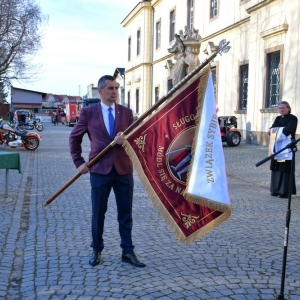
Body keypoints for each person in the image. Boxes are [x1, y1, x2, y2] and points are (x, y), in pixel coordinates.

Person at [69, 75, 145, 268]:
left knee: (125, 213)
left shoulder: (126, 112)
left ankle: (127, 251)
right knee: (98, 213)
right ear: (100, 91)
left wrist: (126, 139)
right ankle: (97, 250)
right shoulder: (88, 113)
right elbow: (74, 138)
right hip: (99, 170)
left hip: (123, 170)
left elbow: (137, 139)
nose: (114, 92)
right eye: (110, 88)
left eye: (116, 88)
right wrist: (79, 162)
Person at [269, 101, 298, 198]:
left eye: (283, 108)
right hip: (277, 146)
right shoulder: (278, 118)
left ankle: (284, 192)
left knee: (285, 168)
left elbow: (287, 130)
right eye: (280, 108)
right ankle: (275, 190)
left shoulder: (293, 118)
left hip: (287, 147)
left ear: (288, 108)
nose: (281, 109)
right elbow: (272, 129)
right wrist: (272, 131)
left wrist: (276, 131)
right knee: (276, 167)